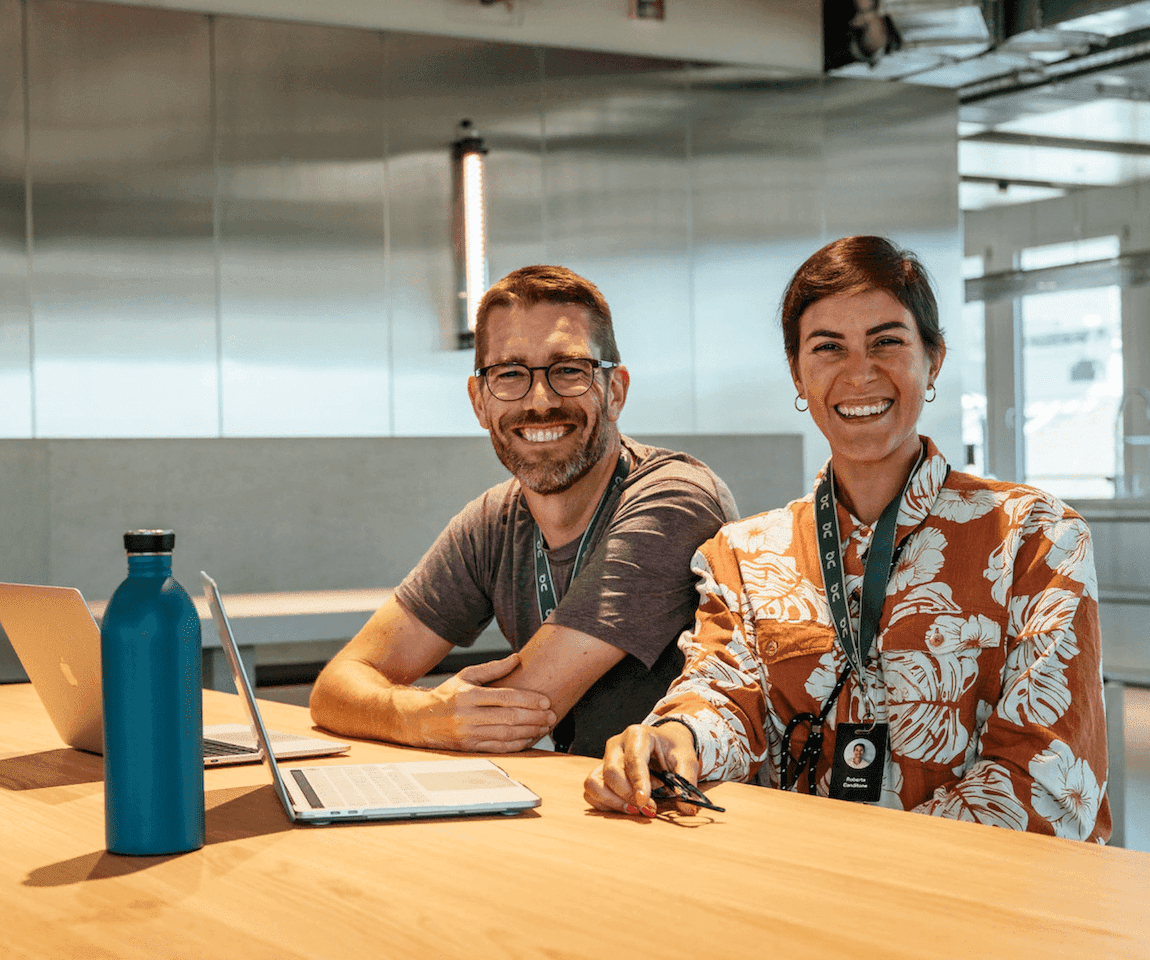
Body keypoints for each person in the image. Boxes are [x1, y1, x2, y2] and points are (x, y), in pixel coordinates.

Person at [584, 236, 1111, 842]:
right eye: (828, 348)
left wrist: (868, 864)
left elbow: (1048, 774)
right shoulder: (744, 556)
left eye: (887, 341)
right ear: (799, 375)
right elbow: (723, 698)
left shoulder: (1036, 539)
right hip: (806, 898)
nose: (859, 374)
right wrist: (672, 741)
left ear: (933, 359)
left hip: (980, 906)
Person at [310, 265, 738, 758]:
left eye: (569, 371)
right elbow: (335, 687)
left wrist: (405, 710)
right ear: (479, 401)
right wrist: (421, 715)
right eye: (510, 373)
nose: (539, 401)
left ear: (615, 390)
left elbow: (517, 711)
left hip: (682, 811)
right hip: (577, 802)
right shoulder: (492, 522)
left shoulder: (673, 500)